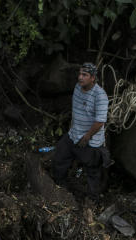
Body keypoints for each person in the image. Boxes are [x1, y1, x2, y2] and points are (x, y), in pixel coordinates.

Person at [52, 62, 109, 215]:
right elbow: (76, 110)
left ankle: (92, 201)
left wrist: (87, 136)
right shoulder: (78, 87)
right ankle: (60, 187)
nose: (80, 77)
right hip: (73, 134)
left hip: (89, 141)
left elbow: (100, 121)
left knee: (92, 171)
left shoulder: (100, 96)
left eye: (84, 75)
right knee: (60, 157)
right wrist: (73, 129)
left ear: (93, 78)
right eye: (80, 74)